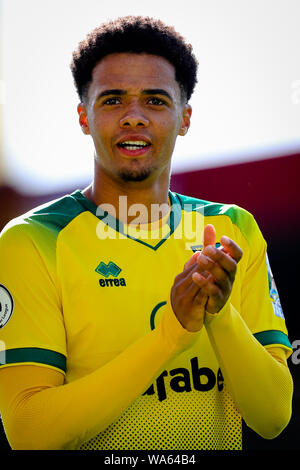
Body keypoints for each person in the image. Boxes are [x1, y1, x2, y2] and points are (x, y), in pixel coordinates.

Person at [0, 16, 293, 451]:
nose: (134, 117)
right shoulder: (32, 240)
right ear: (84, 116)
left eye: (155, 100)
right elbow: (29, 432)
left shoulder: (233, 229)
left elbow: (273, 417)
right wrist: (173, 332)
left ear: (185, 117)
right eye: (113, 100)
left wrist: (219, 314)